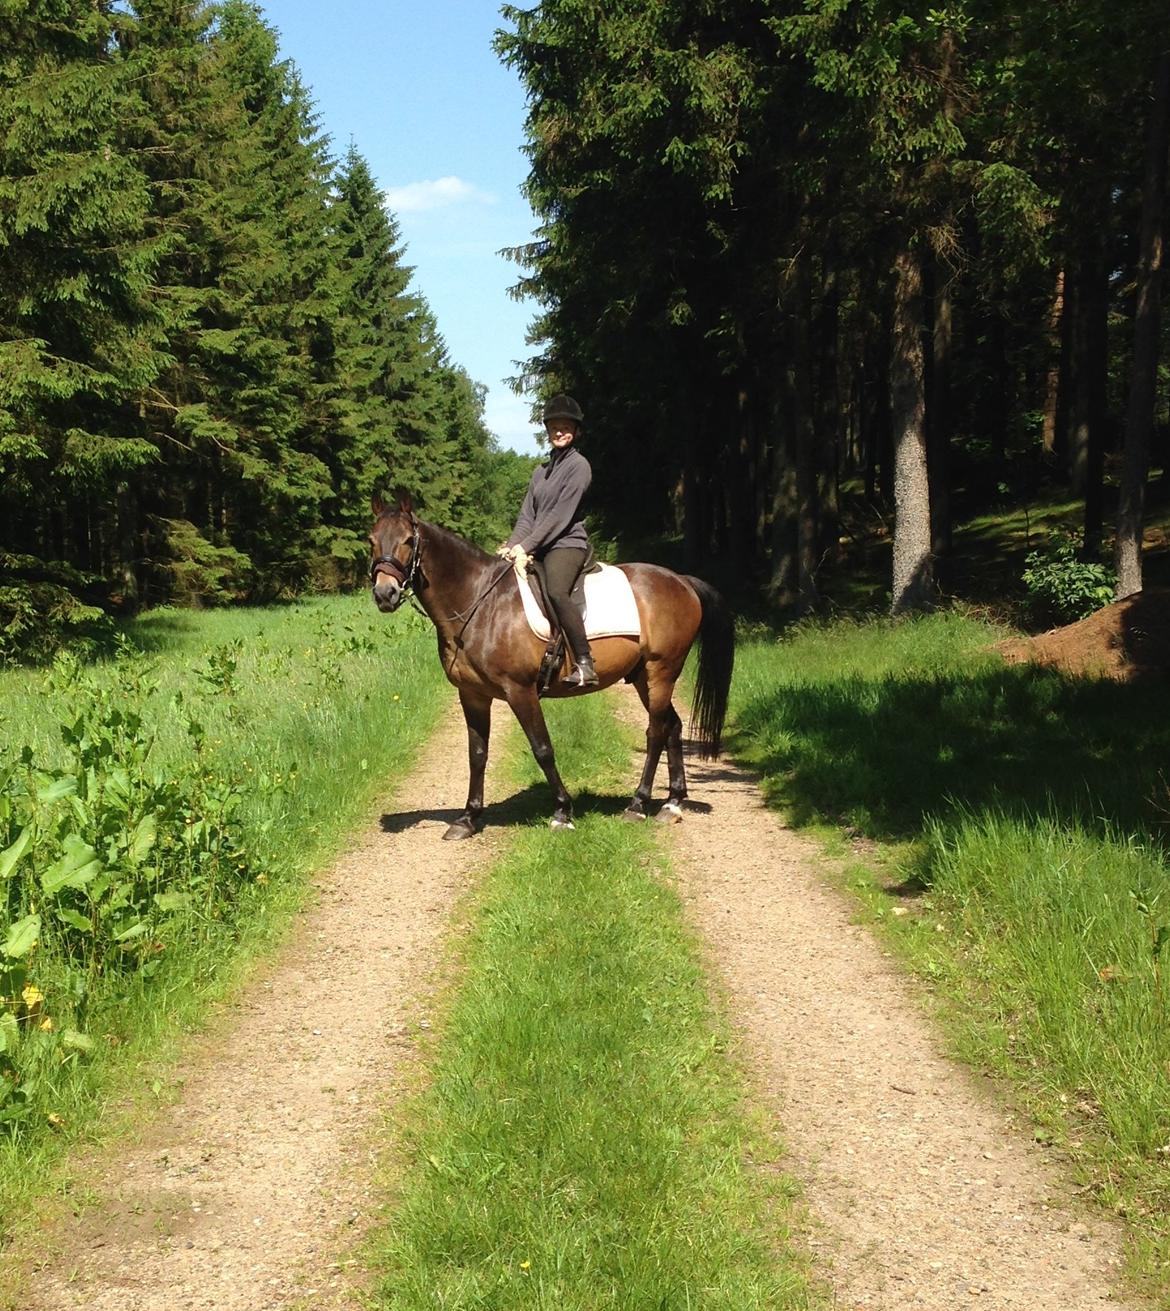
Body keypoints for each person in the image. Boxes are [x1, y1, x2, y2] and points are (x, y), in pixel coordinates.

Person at [498, 394, 598, 687]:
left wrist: (525, 547)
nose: (559, 432)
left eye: (566, 427)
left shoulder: (579, 467)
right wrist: (511, 545)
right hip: (540, 545)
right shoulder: (540, 472)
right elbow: (527, 516)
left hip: (567, 544)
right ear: (547, 431)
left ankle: (584, 662)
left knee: (555, 590)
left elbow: (559, 516)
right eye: (554, 427)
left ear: (576, 431)